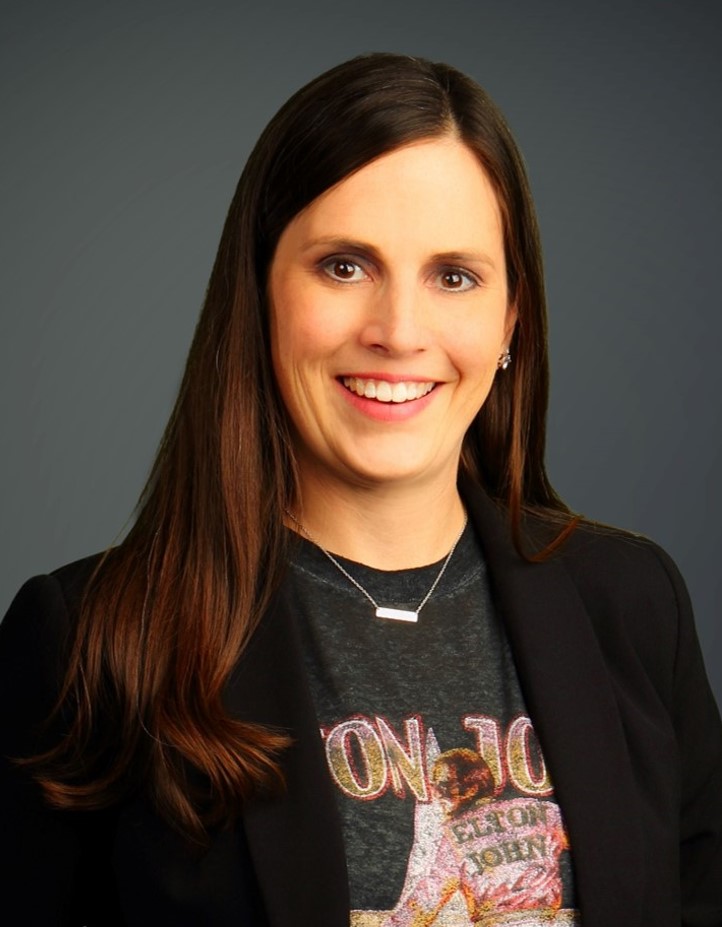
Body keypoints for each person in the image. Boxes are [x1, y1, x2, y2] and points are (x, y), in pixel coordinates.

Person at [1, 52, 720, 927]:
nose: (398, 331)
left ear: (510, 321)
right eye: (345, 266)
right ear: (260, 292)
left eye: (453, 276)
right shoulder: (91, 639)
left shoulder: (635, 607)